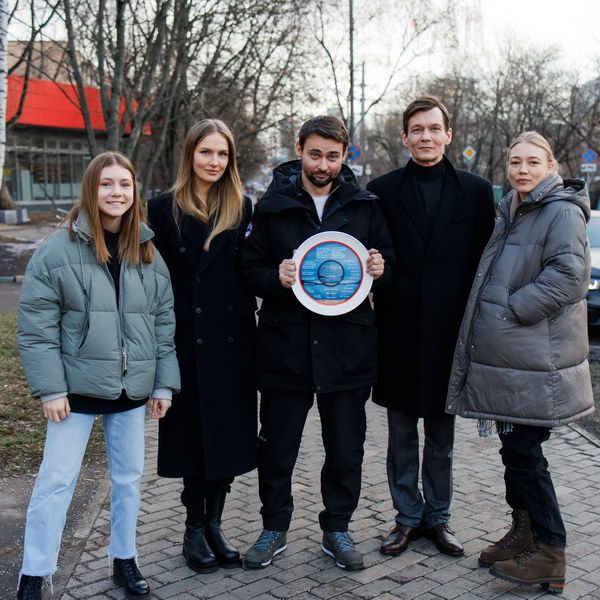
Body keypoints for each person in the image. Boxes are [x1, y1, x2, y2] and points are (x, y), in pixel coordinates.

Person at [16, 152, 180, 600]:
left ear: (134, 191)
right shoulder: (56, 250)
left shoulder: (146, 250)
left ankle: (124, 560)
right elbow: (36, 329)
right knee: (56, 481)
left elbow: (162, 322)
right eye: (107, 184)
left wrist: (163, 383)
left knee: (128, 480)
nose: (116, 193)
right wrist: (50, 389)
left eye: (124, 184)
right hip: (73, 391)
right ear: (91, 188)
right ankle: (35, 574)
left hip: (131, 388)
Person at [241, 115, 394, 571]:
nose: (323, 165)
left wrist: (381, 269)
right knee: (277, 448)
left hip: (348, 351)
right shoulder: (271, 207)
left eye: (332, 156)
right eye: (314, 155)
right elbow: (248, 269)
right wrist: (275, 277)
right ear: (299, 151)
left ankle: (337, 529)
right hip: (284, 350)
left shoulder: (366, 206)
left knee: (346, 448)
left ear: (345, 156)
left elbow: (389, 264)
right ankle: (274, 528)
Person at [446, 131, 593, 593]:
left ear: (550, 166)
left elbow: (569, 277)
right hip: (515, 359)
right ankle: (524, 534)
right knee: (515, 452)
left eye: (532, 162)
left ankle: (551, 551)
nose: (522, 169)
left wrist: (512, 309)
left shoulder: (560, 211)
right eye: (515, 162)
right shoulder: (514, 208)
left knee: (527, 456)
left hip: (535, 358)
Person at [367, 95, 495, 557]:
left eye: (434, 128)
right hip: (398, 332)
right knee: (401, 434)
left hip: (449, 336)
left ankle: (438, 517)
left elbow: (486, 264)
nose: (426, 136)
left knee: (442, 435)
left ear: (448, 135)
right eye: (417, 129)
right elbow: (375, 258)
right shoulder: (381, 190)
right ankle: (406, 517)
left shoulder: (477, 191)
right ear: (405, 137)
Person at [147, 119, 257, 574]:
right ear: (190, 155)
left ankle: (215, 524)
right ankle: (194, 527)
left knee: (227, 434)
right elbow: (152, 279)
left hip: (232, 339)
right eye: (206, 152)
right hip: (185, 340)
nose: (214, 161)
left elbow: (250, 268)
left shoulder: (242, 206)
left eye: (222, 154)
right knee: (193, 436)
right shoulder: (162, 208)